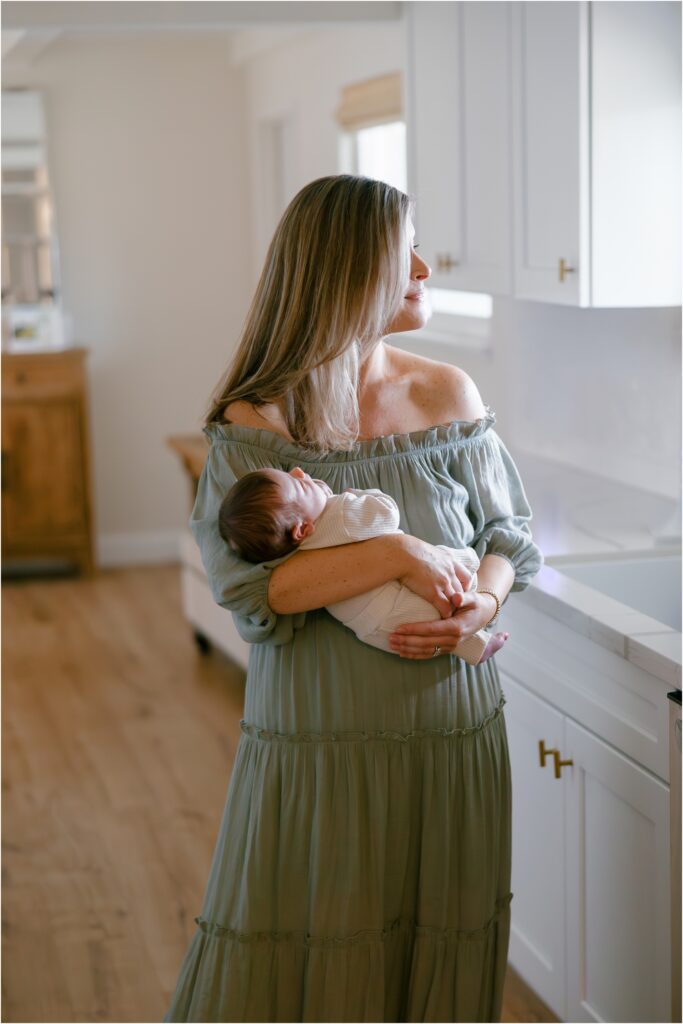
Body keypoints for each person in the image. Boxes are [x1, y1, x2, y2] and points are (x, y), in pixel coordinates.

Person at [163, 174, 544, 1023]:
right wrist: (398, 552)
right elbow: (258, 591)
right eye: (402, 253)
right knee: (311, 940)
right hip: (318, 739)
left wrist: (481, 607)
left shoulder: (447, 395)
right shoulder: (255, 422)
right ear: (343, 273)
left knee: (442, 937)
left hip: (453, 730)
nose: (423, 268)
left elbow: (507, 539)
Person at [216, 466, 510, 665]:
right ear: (302, 529)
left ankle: (477, 646)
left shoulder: (294, 552)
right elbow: (388, 514)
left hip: (373, 628)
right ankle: (476, 615)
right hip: (394, 601)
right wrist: (360, 496)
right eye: (300, 485)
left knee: (431, 625)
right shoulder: (341, 514)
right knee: (452, 577)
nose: (299, 471)